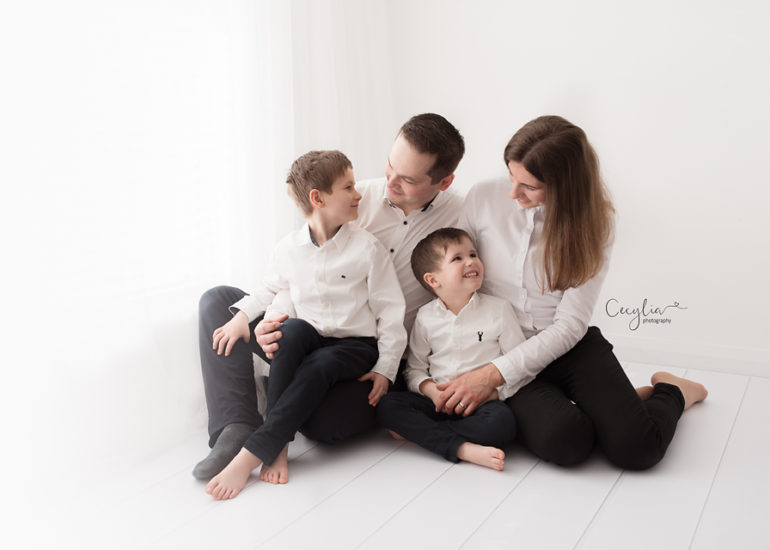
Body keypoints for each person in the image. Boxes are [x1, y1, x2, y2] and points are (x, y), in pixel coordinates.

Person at [194, 114, 465, 480]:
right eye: (389, 166)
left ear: (444, 181)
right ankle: (237, 424)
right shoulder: (351, 197)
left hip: (367, 348)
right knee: (217, 302)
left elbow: (395, 311)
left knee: (324, 427)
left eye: (408, 179)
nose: (389, 182)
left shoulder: (461, 216)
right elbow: (301, 274)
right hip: (305, 328)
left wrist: (389, 368)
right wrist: (272, 319)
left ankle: (281, 404)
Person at [437, 115, 707, 470]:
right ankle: (605, 409)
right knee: (566, 443)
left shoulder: (596, 223)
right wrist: (477, 362)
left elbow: (570, 325)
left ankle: (673, 390)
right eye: (511, 176)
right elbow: (456, 277)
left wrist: (492, 376)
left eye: (528, 186)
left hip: (567, 345)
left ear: (565, 186)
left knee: (638, 450)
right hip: (504, 345)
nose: (512, 193)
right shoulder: (482, 198)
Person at [204, 150, 406, 500]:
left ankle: (256, 451)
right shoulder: (288, 249)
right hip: (310, 336)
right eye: (348, 187)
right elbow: (269, 288)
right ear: (318, 198)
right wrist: (240, 318)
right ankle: (277, 444)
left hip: (354, 345)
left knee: (322, 362)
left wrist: (386, 370)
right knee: (289, 331)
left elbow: (390, 312)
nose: (358, 195)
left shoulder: (367, 248)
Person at [377, 228, 523, 470]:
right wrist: (432, 391)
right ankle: (463, 448)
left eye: (473, 254)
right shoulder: (425, 317)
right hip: (437, 401)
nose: (471, 261)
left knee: (501, 425)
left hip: (482, 403)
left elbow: (518, 365)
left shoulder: (499, 310)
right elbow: (414, 370)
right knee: (388, 406)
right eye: (458, 258)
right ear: (433, 280)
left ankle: (424, 435)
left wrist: (493, 393)